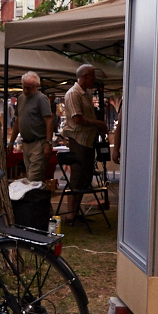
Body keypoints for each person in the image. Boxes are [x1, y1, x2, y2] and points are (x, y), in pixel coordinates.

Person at [62, 64, 108, 220]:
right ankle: (70, 214)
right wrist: (98, 124)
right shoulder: (73, 94)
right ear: (85, 76)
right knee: (77, 177)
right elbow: (77, 119)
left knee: (86, 177)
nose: (94, 79)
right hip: (78, 140)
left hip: (88, 141)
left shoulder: (85, 94)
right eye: (93, 76)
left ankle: (76, 212)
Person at [7, 71, 55, 183]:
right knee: (29, 175)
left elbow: (49, 121)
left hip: (38, 142)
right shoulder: (21, 98)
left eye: (29, 88)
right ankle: (35, 199)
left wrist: (48, 143)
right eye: (24, 87)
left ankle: (35, 198)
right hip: (26, 143)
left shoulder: (41, 99)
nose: (26, 90)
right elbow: (18, 121)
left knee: (34, 177)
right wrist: (11, 142)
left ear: (36, 87)